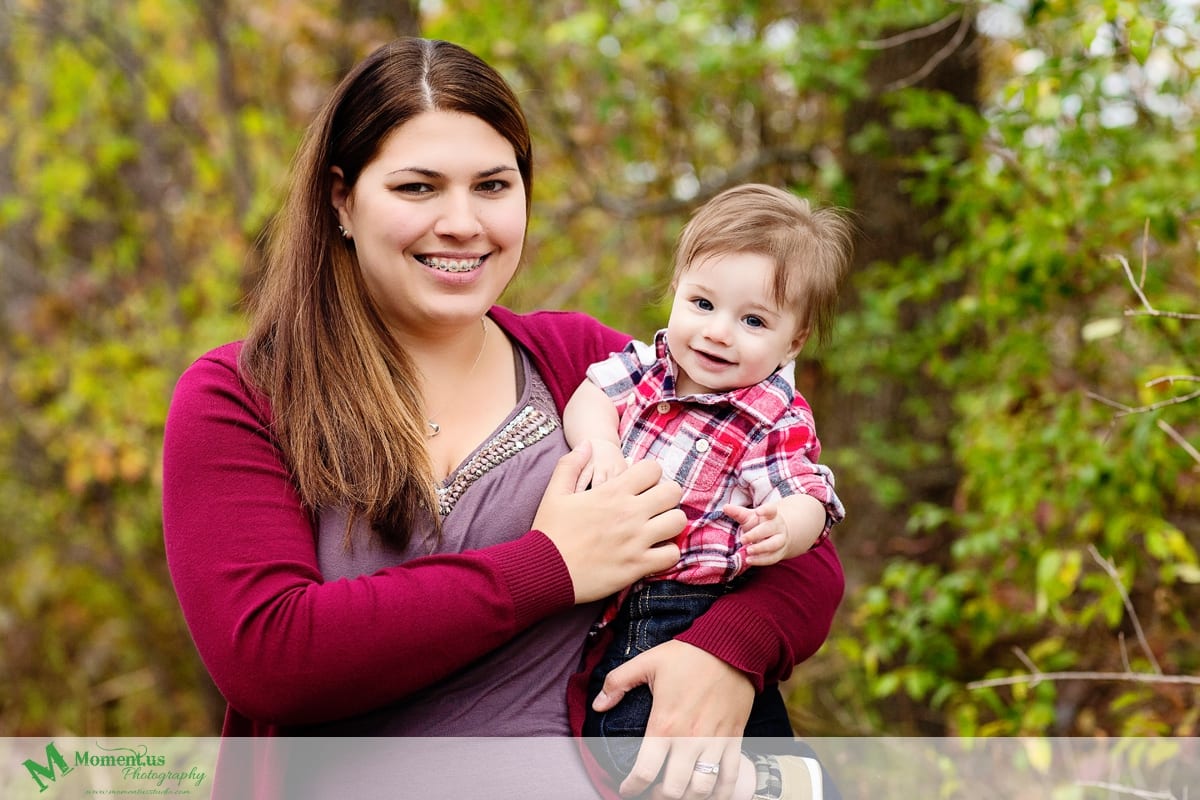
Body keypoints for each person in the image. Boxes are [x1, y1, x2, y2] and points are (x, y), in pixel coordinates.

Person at [161, 37, 845, 800]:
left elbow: (802, 553)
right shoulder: (243, 395)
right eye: (418, 188)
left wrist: (723, 654)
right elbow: (270, 656)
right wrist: (551, 564)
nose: (462, 223)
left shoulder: (583, 365)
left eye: (492, 184)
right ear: (340, 198)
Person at [565, 184, 852, 800]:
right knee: (625, 731)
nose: (718, 333)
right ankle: (779, 779)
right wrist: (603, 448)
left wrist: (786, 524)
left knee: (631, 739)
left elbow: (809, 492)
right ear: (676, 292)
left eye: (752, 321)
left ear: (793, 341)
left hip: (696, 603)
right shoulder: (646, 367)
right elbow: (591, 397)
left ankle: (768, 783)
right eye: (702, 303)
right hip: (621, 604)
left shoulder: (771, 413)